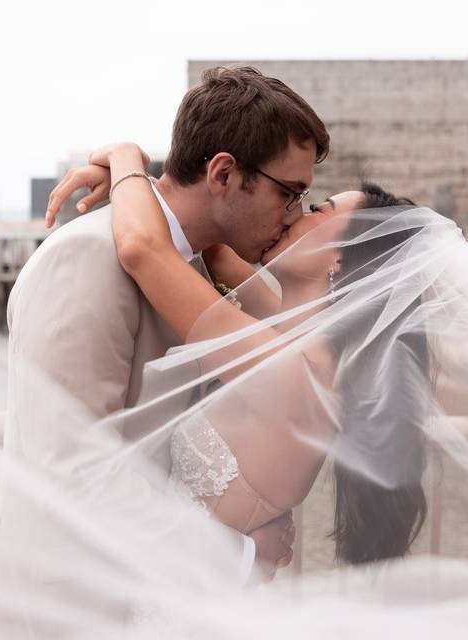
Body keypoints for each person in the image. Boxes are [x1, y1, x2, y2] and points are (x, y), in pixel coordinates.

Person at [0, 66, 330, 639]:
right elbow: (71, 468)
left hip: (146, 598)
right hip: (56, 608)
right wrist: (235, 556)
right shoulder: (85, 258)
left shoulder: (199, 268)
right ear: (225, 174)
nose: (293, 212)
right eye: (290, 191)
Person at [50, 142, 429, 564]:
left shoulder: (293, 374)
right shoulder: (290, 332)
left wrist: (125, 158)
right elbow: (206, 234)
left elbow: (145, 250)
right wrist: (132, 185)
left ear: (338, 259)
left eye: (319, 209)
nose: (295, 213)